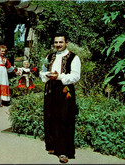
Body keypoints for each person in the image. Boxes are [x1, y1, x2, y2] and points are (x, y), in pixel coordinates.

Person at [39, 34, 81, 163]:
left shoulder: (74, 57)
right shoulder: (49, 56)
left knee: (64, 118)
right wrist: (47, 75)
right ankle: (52, 146)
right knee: (50, 116)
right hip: (51, 89)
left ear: (66, 42)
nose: (58, 45)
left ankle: (64, 151)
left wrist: (59, 77)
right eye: (56, 42)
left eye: (60, 42)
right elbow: (42, 72)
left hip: (65, 90)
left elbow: (75, 76)